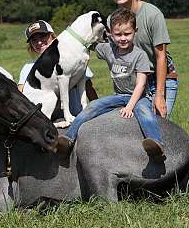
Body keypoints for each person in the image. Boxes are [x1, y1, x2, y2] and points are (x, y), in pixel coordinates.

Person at [58, 9, 164, 159]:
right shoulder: (108, 49)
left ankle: (155, 143)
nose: (122, 38)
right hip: (118, 96)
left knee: (145, 114)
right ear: (111, 34)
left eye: (127, 34)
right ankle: (68, 139)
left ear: (136, 31)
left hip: (139, 97)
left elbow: (141, 84)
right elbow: (86, 42)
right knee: (92, 107)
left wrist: (130, 107)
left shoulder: (140, 55)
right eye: (118, 34)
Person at [109, 0, 178, 118]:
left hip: (159, 80)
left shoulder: (152, 14)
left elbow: (161, 57)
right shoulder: (112, 20)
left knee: (159, 127)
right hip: (134, 81)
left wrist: (159, 95)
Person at [17, 20, 98, 117]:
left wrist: (97, 110)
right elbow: (20, 96)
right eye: (34, 40)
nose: (39, 42)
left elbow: (89, 89)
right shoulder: (28, 68)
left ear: (53, 36)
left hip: (77, 117)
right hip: (47, 121)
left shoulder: (74, 60)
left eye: (43, 36)